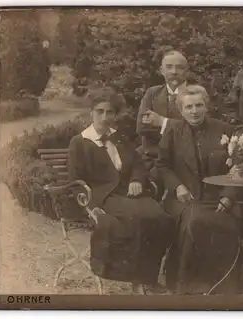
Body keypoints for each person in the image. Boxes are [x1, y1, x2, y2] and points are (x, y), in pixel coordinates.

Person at [68, 87, 172, 294]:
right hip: (103, 196)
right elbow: (75, 180)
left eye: (110, 112)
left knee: (159, 217)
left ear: (115, 115)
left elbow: (137, 165)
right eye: (100, 111)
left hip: (129, 193)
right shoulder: (79, 142)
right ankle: (134, 277)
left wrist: (136, 179)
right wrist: (91, 207)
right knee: (135, 219)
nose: (105, 117)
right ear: (91, 113)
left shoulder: (120, 138)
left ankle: (148, 276)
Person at [155, 85, 241, 295]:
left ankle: (222, 286)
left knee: (228, 224)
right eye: (189, 107)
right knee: (194, 222)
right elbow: (162, 166)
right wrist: (177, 186)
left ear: (207, 106)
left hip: (219, 196)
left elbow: (237, 167)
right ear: (181, 110)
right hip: (184, 198)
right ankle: (188, 285)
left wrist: (228, 195)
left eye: (199, 105)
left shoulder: (224, 130)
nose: (194, 111)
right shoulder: (173, 132)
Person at [135, 49, 189, 169]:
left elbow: (196, 129)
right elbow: (141, 128)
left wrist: (161, 122)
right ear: (162, 71)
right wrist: (179, 128)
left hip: (186, 160)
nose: (174, 71)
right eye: (169, 67)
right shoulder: (152, 93)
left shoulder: (195, 93)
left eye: (179, 67)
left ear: (186, 71)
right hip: (154, 160)